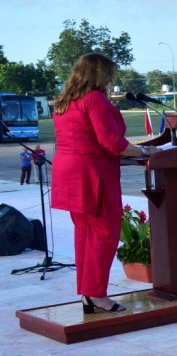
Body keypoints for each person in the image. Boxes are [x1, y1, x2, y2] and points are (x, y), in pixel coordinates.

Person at [52, 53, 157, 313]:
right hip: (93, 174)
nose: (113, 79)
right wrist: (145, 152)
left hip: (69, 172)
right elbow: (111, 142)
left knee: (84, 236)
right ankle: (97, 295)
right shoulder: (94, 100)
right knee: (104, 235)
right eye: (111, 73)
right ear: (101, 74)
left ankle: (87, 293)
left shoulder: (65, 101)